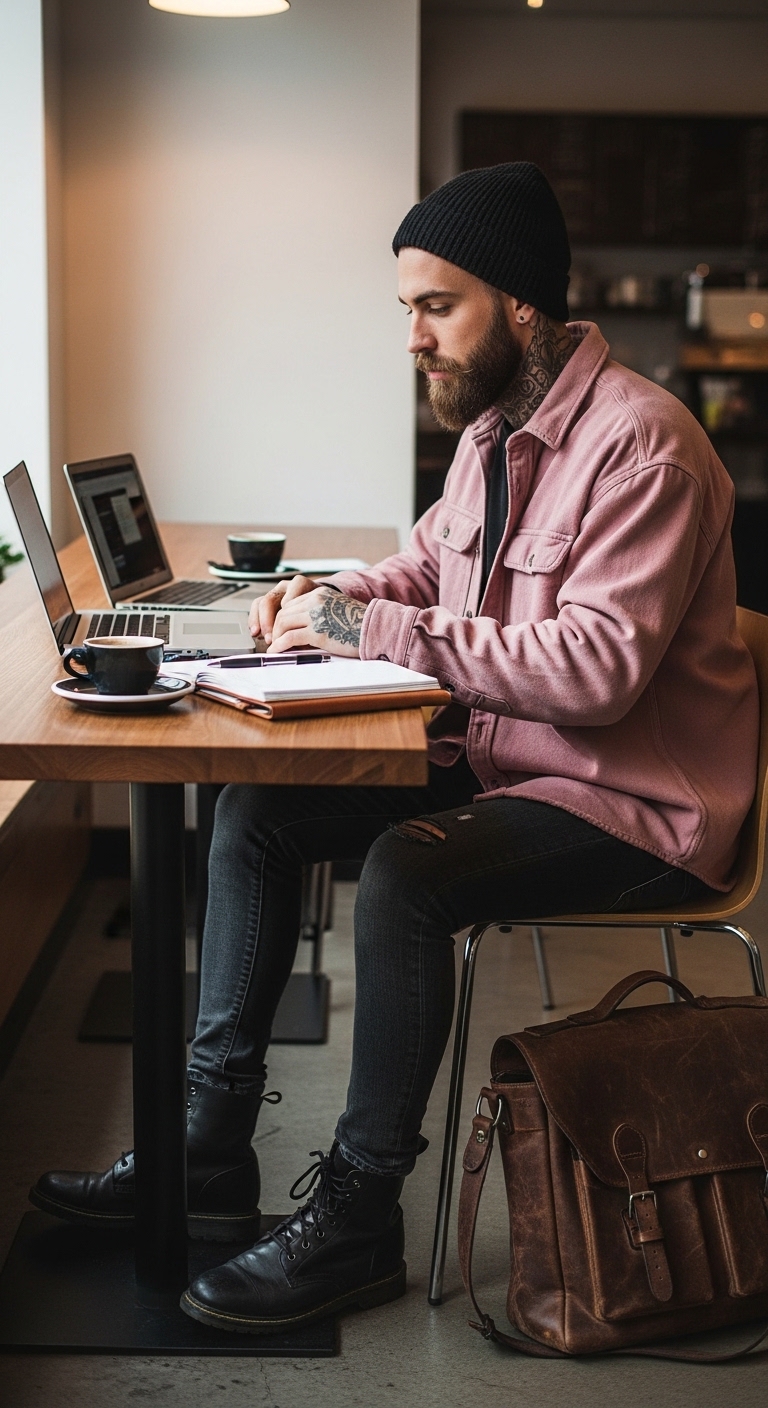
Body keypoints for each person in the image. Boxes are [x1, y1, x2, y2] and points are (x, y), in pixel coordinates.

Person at [32, 163, 758, 1334]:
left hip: (631, 804)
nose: (413, 337)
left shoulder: (646, 448)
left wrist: (366, 628)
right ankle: (208, 1144)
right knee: (256, 815)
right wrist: (331, 598)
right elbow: (424, 566)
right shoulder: (492, 431)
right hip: (514, 758)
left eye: (436, 306)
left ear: (520, 303)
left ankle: (360, 1216)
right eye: (407, 308)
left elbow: (596, 671)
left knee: (407, 874)